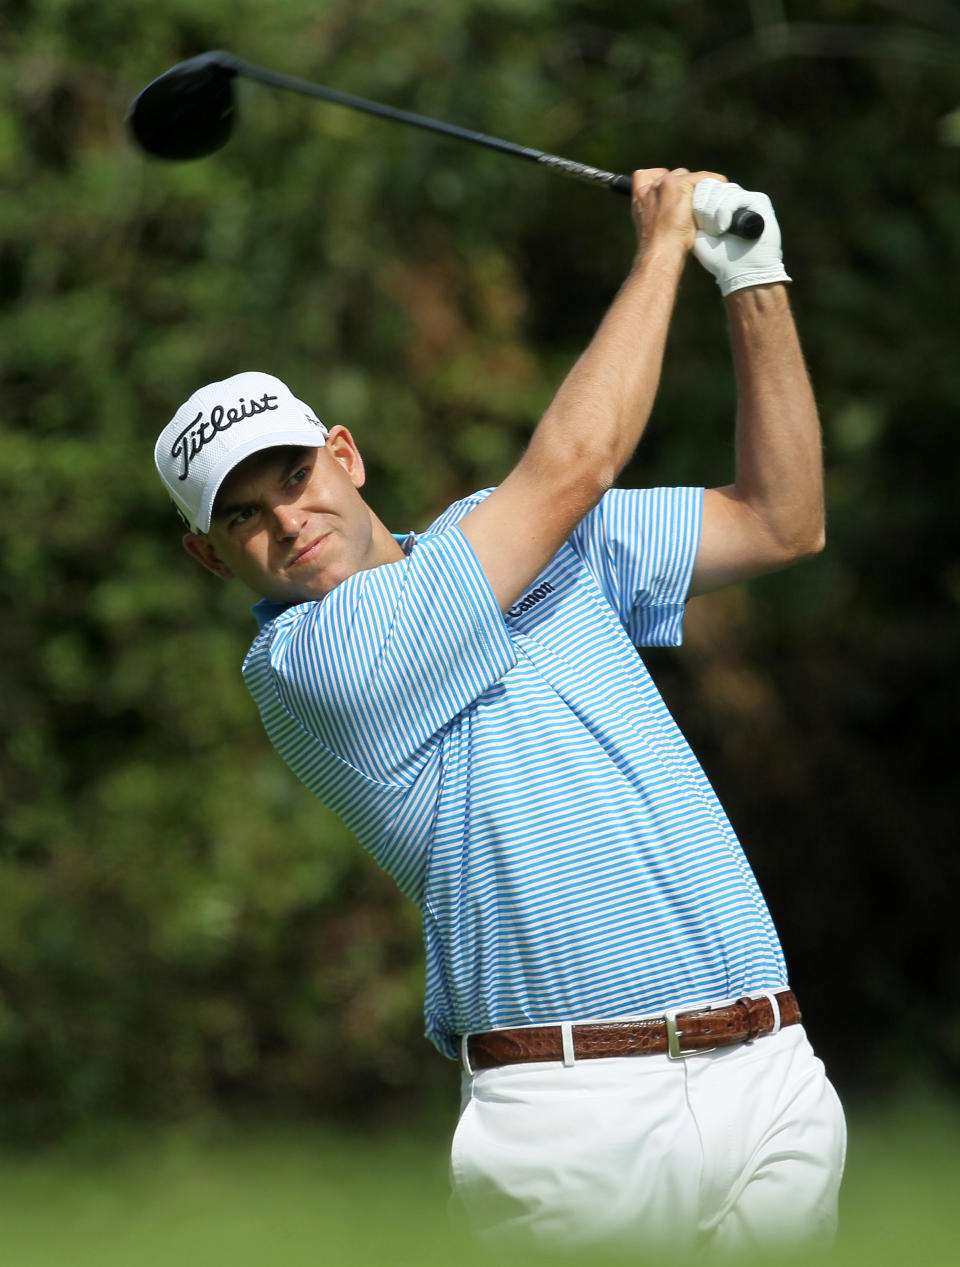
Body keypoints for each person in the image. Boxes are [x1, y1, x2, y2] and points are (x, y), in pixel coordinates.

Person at [154, 168, 845, 1257]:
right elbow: (575, 463)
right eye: (243, 515)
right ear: (208, 556)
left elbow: (781, 518)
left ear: (345, 453)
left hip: (767, 1063)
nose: (288, 520)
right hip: (573, 1114)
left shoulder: (504, 531)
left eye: (294, 474)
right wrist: (664, 247)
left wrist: (753, 274)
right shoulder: (309, 663)